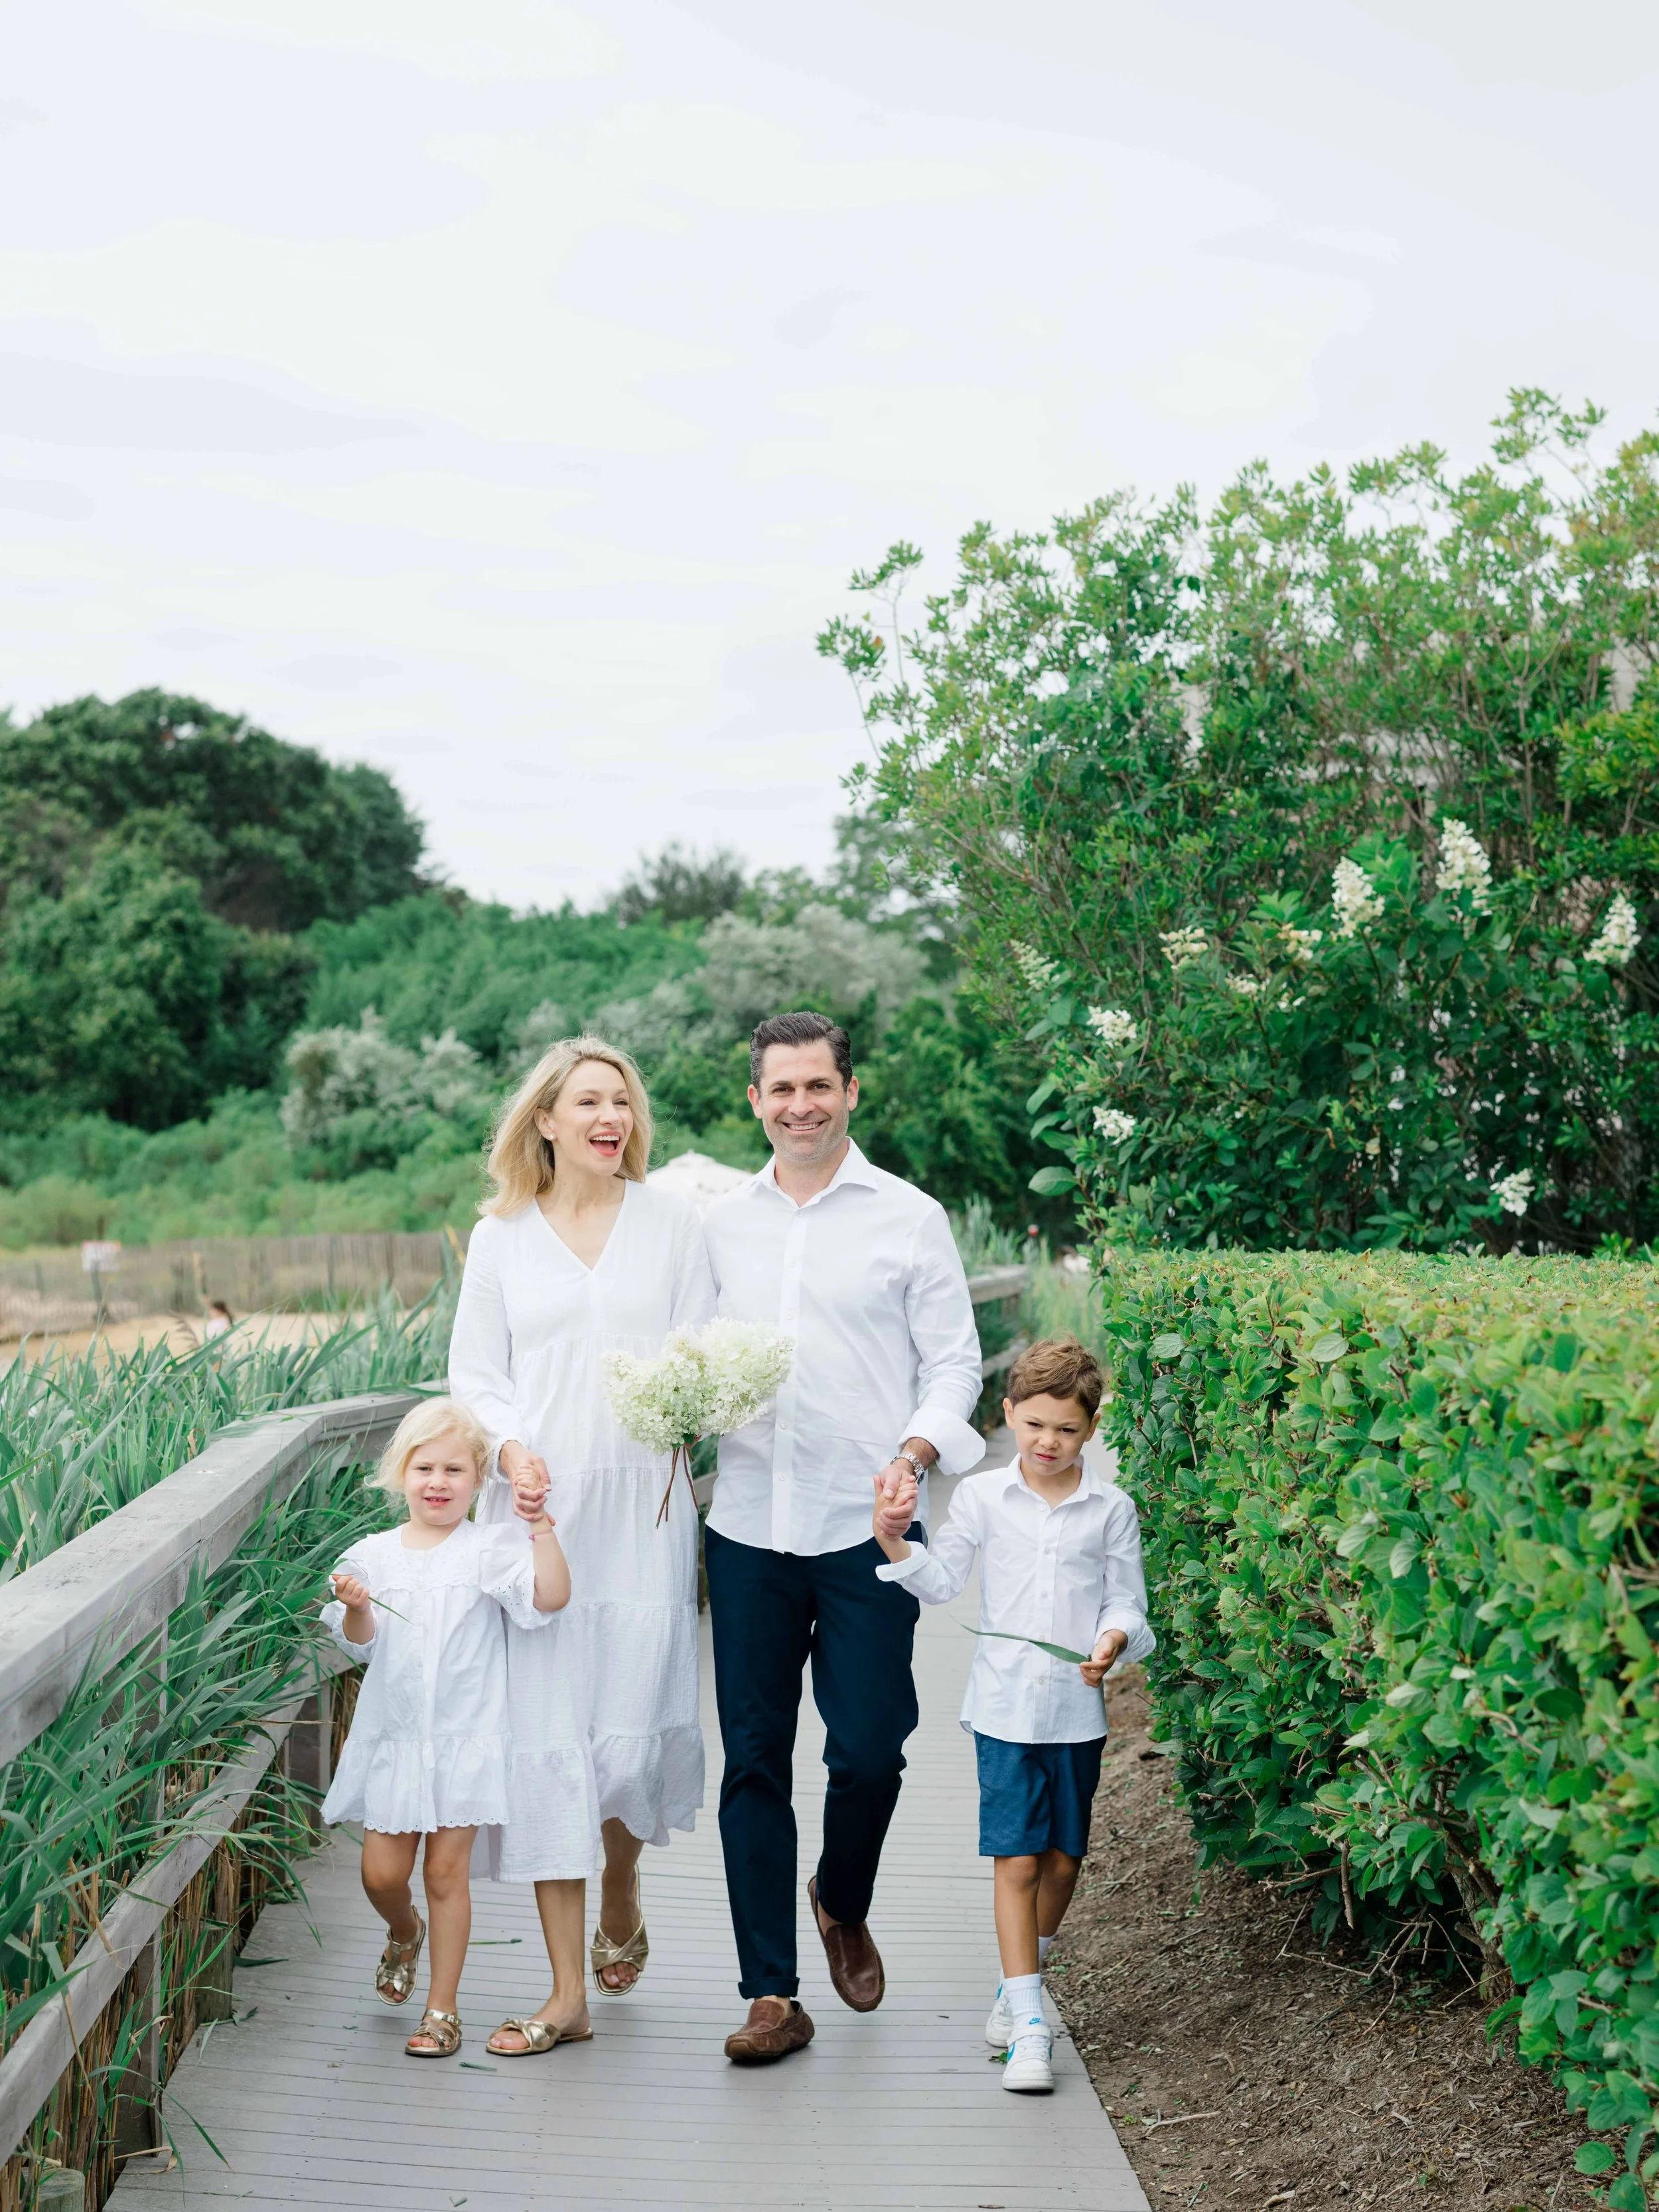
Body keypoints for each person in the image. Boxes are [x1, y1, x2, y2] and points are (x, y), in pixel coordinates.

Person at [700, 1009, 983, 2065]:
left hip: (869, 1529)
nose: (800, 1106)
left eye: (818, 1086)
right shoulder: (720, 1224)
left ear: (851, 1092)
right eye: (781, 1089)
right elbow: (684, 1347)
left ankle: (840, 1892)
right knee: (755, 1761)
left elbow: (956, 1363)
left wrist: (914, 1454)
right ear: (755, 1101)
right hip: (747, 1527)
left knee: (870, 1748)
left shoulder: (911, 1217)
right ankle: (770, 1993)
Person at [447, 1035, 716, 2056]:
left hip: (645, 1512)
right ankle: (567, 1994)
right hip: (538, 1512)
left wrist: (695, 1406)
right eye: (590, 1101)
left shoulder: (675, 1225)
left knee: (628, 1724)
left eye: (624, 1101)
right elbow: (476, 1371)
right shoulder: (502, 1234)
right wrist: (512, 1448)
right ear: (547, 1121)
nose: (613, 1117)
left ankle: (624, 1876)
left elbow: (703, 1347)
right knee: (553, 1733)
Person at [871, 1336, 1155, 2094]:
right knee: (1018, 1858)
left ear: (1091, 1428)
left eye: (1065, 1428)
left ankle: (1016, 1981)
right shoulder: (982, 1498)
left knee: (1064, 1861)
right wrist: (893, 1539)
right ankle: (1030, 2024)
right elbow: (940, 1581)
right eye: (1032, 1425)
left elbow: (1129, 1600)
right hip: (1001, 1709)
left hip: (1076, 1711)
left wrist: (1113, 1639)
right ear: (1008, 1415)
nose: (1047, 1442)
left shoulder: (1111, 1509)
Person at [320, 1398, 572, 2059]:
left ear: (478, 1479)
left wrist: (541, 1529)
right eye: (424, 1467)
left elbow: (549, 1599)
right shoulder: (374, 1555)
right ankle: (404, 1931)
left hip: (466, 1740)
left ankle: (441, 2010)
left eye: (455, 1470)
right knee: (381, 1874)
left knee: (445, 1874)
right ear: (400, 1473)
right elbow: (361, 1642)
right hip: (398, 1743)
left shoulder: (487, 1549)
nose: (438, 1481)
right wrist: (356, 1609)